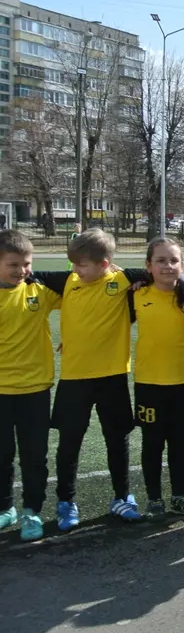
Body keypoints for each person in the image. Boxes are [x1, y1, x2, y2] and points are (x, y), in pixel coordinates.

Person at [37, 228, 184, 531]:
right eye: (74, 264)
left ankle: (122, 496)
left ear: (104, 264)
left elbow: (167, 274)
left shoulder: (125, 281)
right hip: (74, 378)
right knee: (69, 443)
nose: (75, 270)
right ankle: (66, 501)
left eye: (81, 265)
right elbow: (26, 277)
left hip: (114, 377)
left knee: (118, 440)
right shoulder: (66, 282)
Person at [132, 238, 184, 520]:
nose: (168, 266)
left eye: (174, 261)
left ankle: (179, 496)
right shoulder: (136, 294)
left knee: (179, 442)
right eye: (160, 260)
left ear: (182, 265)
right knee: (152, 443)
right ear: (148, 265)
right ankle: (154, 500)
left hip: (182, 382)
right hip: (149, 382)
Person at [0, 230, 62, 541]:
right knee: (2, 455)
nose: (22, 270)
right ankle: (5, 507)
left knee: (34, 457)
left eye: (26, 264)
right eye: (13, 264)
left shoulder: (40, 290)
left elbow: (83, 293)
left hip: (35, 389)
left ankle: (32, 511)